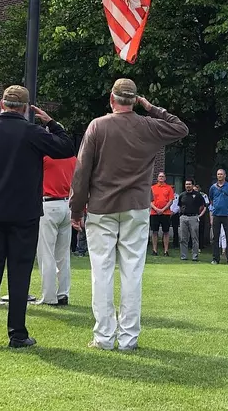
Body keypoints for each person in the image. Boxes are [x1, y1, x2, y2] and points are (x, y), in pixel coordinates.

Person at [70, 79, 188, 352]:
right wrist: (151, 107)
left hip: (101, 207)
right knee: (132, 273)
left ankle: (103, 337)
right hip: (136, 207)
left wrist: (77, 209)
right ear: (135, 100)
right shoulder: (149, 126)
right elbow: (181, 128)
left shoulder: (97, 126)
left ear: (112, 98)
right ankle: (128, 339)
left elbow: (82, 172)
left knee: (102, 272)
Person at [0, 86, 75, 349]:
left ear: (2, 103)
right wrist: (51, 123)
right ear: (25, 108)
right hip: (24, 214)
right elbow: (66, 148)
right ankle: (17, 333)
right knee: (19, 272)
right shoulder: (33, 132)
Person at [36, 154, 78, 306]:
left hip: (48, 204)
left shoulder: (45, 158)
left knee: (46, 253)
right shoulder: (73, 159)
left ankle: (49, 296)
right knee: (63, 254)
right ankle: (63, 294)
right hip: (67, 205)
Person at [208, 169, 228, 265]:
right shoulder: (213, 188)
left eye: (221, 174)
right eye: (218, 174)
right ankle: (215, 259)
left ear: (225, 175)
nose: (219, 176)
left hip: (227, 215)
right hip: (216, 215)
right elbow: (212, 200)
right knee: (215, 238)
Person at [177, 179, 206, 261]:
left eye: (189, 184)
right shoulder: (182, 195)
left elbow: (202, 206)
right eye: (186, 184)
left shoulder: (197, 195)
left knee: (194, 238)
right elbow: (179, 205)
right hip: (183, 218)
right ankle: (183, 256)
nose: (188, 186)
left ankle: (195, 256)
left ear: (193, 185)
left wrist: (198, 215)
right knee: (183, 238)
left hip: (193, 217)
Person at [149, 172, 175, 257]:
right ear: (157, 178)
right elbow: (149, 201)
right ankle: (154, 250)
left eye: (162, 176)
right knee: (154, 231)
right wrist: (156, 209)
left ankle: (166, 251)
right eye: (160, 176)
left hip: (166, 213)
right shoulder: (152, 188)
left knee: (166, 232)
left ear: (165, 178)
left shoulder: (169, 188)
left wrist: (163, 209)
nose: (161, 178)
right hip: (154, 213)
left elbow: (171, 200)